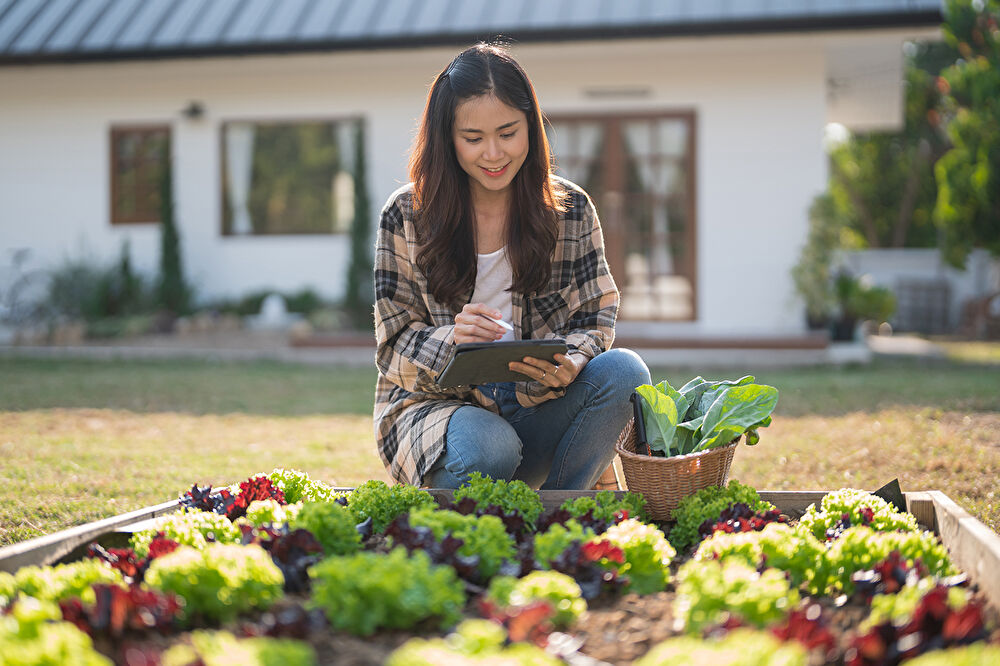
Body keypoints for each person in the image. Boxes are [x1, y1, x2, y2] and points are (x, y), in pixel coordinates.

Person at [373, 42, 650, 490]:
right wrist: (452, 340)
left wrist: (574, 359)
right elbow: (392, 350)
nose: (494, 154)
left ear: (531, 127)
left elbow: (596, 317)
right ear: (448, 138)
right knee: (490, 447)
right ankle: (480, 509)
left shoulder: (570, 209)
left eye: (508, 132)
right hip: (439, 410)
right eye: (473, 138)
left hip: (539, 399)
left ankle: (564, 510)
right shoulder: (405, 214)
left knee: (626, 372)